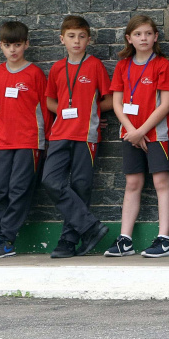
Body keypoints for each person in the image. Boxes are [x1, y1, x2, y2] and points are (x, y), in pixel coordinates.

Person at [105, 15, 169, 258]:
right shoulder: (122, 66)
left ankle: (164, 239)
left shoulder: (163, 66)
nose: (143, 38)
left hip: (156, 134)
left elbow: (165, 105)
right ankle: (125, 239)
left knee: (161, 183)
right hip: (129, 134)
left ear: (155, 37)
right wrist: (132, 132)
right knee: (132, 184)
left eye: (148, 33)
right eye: (138, 34)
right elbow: (117, 104)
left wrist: (141, 131)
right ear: (129, 38)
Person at [42, 15, 113, 259]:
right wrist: (65, 111)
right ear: (62, 39)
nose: (76, 41)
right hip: (59, 133)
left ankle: (68, 241)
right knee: (50, 180)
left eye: (81, 36)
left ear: (88, 40)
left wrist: (90, 111)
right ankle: (90, 226)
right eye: (71, 36)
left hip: (86, 135)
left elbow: (109, 99)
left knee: (80, 187)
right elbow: (50, 101)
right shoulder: (57, 68)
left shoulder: (95, 65)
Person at [0, 22, 49, 259]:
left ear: (26, 44)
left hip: (29, 141)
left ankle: (7, 239)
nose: (13, 50)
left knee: (19, 189)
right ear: (1, 46)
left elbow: (45, 109)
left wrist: (45, 139)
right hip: (3, 142)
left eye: (17, 45)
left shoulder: (35, 73)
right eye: (8, 45)